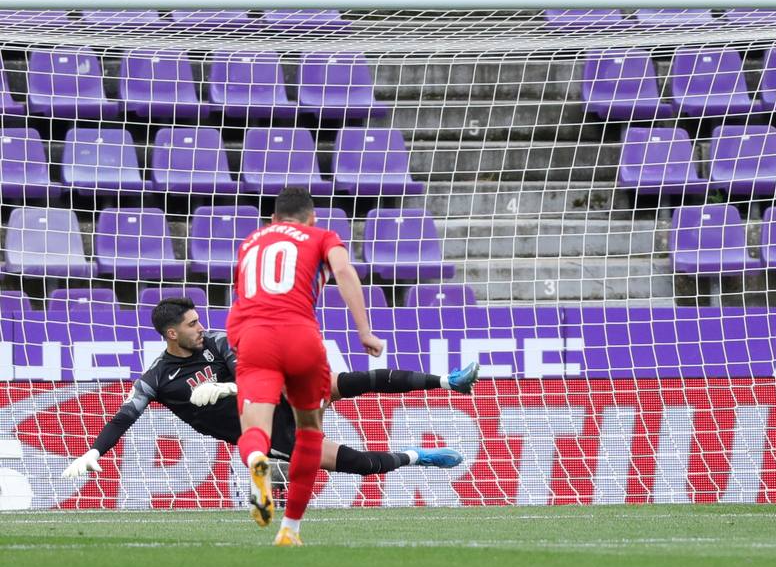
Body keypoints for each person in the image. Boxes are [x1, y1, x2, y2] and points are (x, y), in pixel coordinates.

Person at [60, 295, 479, 482]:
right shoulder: (155, 379)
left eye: (199, 319)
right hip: (263, 434)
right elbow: (124, 416)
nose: (200, 326)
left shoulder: (218, 343)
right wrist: (94, 451)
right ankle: (418, 457)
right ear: (172, 334)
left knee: (335, 381)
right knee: (355, 464)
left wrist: (224, 388)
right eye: (191, 324)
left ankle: (448, 381)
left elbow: (247, 373)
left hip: (266, 402)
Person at [228, 186, 385, 545]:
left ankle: (256, 461)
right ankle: (290, 529)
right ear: (312, 218)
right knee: (310, 431)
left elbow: (240, 300)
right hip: (302, 337)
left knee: (254, 429)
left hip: (255, 338)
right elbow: (344, 271)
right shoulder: (322, 235)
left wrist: (241, 343)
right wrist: (364, 331)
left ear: (272, 219)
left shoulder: (251, 242)